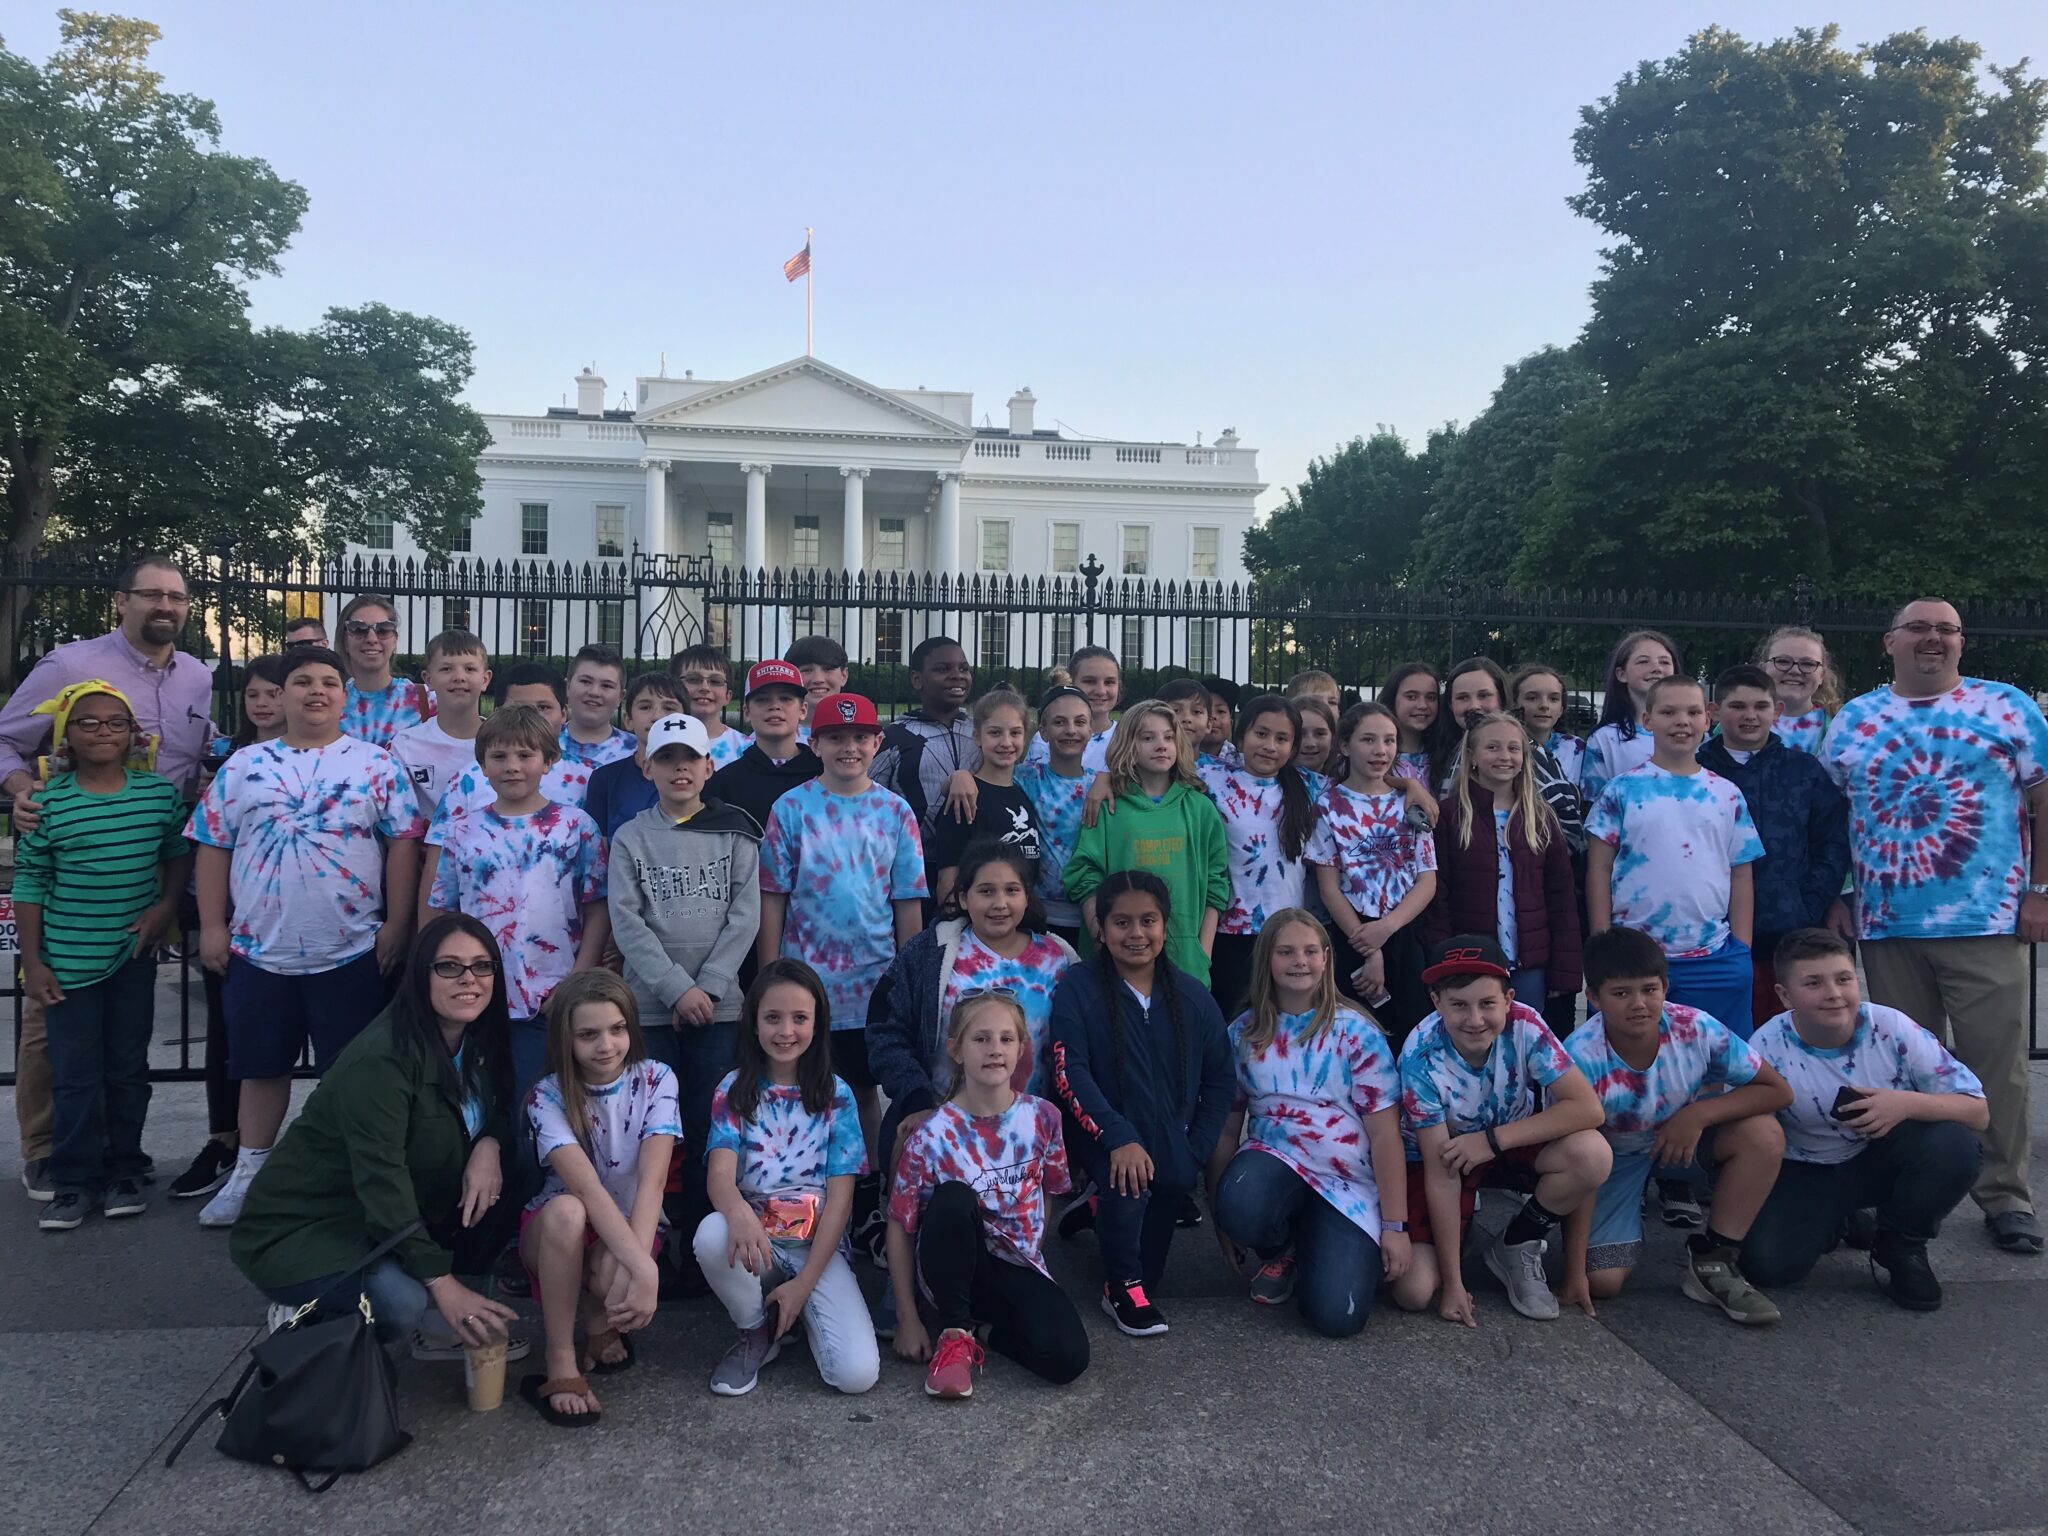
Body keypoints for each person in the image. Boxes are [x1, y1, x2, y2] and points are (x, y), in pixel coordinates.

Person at [1820, 597, 2048, 1254]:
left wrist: (2040, 892)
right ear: (1889, 642)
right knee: (1899, 1069)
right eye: (1919, 628)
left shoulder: (2007, 706)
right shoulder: (1854, 719)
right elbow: (1832, 817)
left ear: (1961, 643)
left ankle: (2005, 1196)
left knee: (1995, 1067)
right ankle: (1906, 1193)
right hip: (1888, 923)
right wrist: (1842, 892)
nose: (1934, 638)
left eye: (1947, 629)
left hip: (1987, 920)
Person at [189, 645, 426, 1228]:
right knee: (260, 1068)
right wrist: (213, 925)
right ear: (283, 695)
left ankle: (345, 1180)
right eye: (301, 681)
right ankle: (249, 1174)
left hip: (350, 948)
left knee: (351, 1074)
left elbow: (403, 844)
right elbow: (213, 844)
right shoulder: (245, 766)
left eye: (328, 682)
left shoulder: (375, 764)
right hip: (258, 950)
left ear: (346, 698)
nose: (315, 691)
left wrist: (397, 924)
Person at [0, 552, 213, 1203]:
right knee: (54, 1019)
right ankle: (48, 1152)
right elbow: (6, 740)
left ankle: (119, 1156)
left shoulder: (197, 676)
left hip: (158, 858)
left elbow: (197, 760)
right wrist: (21, 790)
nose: (165, 606)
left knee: (126, 1029)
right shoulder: (70, 665)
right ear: (121, 601)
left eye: (176, 597)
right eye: (151, 594)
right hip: (74, 853)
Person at [230, 915, 521, 1360]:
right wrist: (441, 1282)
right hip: (310, 1226)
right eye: (449, 966)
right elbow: (382, 1180)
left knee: (515, 1171)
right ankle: (309, 1318)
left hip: (385, 1216)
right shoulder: (382, 1059)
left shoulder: (476, 1035)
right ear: (420, 974)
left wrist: (489, 1144)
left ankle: (438, 1324)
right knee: (399, 1304)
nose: (469, 978)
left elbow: (497, 1110)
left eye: (482, 966)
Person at [16, 682, 191, 1232]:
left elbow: (177, 855)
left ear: (132, 734)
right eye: (88, 722)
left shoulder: (157, 796)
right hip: (67, 964)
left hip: (130, 957)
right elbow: (30, 882)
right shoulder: (48, 804)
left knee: (127, 1070)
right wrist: (33, 962)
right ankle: (74, 1179)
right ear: (66, 735)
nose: (103, 732)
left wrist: (165, 907)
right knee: (73, 1076)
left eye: (116, 722)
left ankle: (125, 1169)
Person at [1744, 929, 1990, 1308]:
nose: (1834, 993)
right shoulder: (1765, 1047)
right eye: (1813, 983)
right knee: (1768, 1267)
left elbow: (1978, 1110)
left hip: (1881, 1157)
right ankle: (1840, 1218)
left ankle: (1900, 1244)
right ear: (1785, 995)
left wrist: (1904, 1103)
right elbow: (1746, 1132)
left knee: (1955, 1147)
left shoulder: (1893, 1028)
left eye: (1844, 979)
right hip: (1806, 1167)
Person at [1558, 927, 1791, 1326]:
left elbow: (1778, 1090)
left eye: (1650, 989)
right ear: (1593, 997)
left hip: (1683, 1142)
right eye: (1621, 993)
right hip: (1613, 1160)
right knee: (1602, 1281)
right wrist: (1574, 1269)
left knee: (1763, 1134)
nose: (1639, 1004)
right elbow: (1577, 1158)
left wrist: (1697, 1115)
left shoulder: (1695, 1027)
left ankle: (1714, 1258)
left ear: (1665, 988)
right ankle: (1625, 1222)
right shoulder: (1579, 1055)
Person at [1049, 871, 1234, 1337]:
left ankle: (1099, 1212)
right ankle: (1120, 1288)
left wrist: (1195, 1149)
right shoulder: (1078, 987)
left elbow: (1220, 1080)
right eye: (1122, 922)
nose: (1136, 934)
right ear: (1101, 928)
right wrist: (1118, 1138)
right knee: (1128, 1187)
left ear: (1165, 926)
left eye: (1148, 921)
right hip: (1098, 1133)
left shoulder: (1192, 996)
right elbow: (1070, 1073)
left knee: (1153, 1268)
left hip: (1167, 1139)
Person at [1391, 936, 1610, 1325]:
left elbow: (1588, 1109)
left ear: (1509, 999)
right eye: (1459, 1005)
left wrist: (1492, 1140)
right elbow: (1440, 1174)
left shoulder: (1526, 1024)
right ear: (1436, 1002)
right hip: (1447, 1158)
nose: (1475, 1019)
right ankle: (1457, 1240)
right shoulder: (1419, 1056)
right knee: (1415, 1291)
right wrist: (1454, 1284)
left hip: (1504, 1141)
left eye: (1487, 1003)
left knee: (1592, 1154)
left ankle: (1516, 1242)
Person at [1208, 911, 1408, 1337]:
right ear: (1266, 959)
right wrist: (1220, 1213)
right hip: (1273, 1162)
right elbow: (1227, 1129)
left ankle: (1315, 1245)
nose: (1300, 961)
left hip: (1346, 1183)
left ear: (1326, 958)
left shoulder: (1356, 1032)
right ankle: (1282, 1247)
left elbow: (1385, 1135)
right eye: (1286, 952)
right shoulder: (1243, 1034)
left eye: (1310, 951)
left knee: (1338, 1317)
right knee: (1242, 1202)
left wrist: (1395, 1226)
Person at [887, 992, 1089, 1397]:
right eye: (981, 1039)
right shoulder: (931, 1135)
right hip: (953, 1268)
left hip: (1016, 1265)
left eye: (1006, 1039)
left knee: (1069, 1358)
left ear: (1021, 1049)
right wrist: (907, 1318)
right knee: (954, 1198)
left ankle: (985, 1331)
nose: (995, 1049)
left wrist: (1033, 1252)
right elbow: (899, 1225)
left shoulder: (1043, 1117)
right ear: (956, 1050)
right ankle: (953, 1333)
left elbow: (1047, 1192)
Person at [606, 712, 762, 1237]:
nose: (679, 769)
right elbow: (627, 923)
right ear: (647, 767)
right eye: (667, 758)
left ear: (708, 767)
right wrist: (677, 990)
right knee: (647, 1133)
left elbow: (745, 917)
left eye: (690, 758)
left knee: (708, 1129)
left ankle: (700, 1242)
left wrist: (708, 989)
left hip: (719, 1011)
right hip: (650, 1010)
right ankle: (647, 1241)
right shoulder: (631, 838)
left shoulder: (735, 832)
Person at [759, 692, 927, 1174]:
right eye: (835, 737)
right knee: (802, 1089)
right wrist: (771, 975)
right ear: (814, 744)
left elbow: (907, 903)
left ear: (878, 742)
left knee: (862, 1093)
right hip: (807, 986)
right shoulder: (791, 808)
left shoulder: (895, 812)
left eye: (859, 737)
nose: (848, 747)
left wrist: (908, 979)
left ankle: (869, 1187)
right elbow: (773, 896)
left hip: (872, 985)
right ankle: (802, 1185)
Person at [697, 960, 879, 1397]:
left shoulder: (837, 1095)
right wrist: (739, 1213)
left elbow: (841, 1200)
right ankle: (755, 1330)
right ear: (753, 1022)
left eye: (800, 1018)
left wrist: (804, 1284)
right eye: (773, 1017)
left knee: (855, 1376)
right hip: (756, 1240)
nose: (786, 1031)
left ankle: (791, 1306)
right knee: (712, 1233)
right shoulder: (733, 1090)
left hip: (815, 1246)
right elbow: (719, 1176)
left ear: (817, 1023)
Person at [517, 971, 676, 1425]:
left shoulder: (658, 1079)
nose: (606, 1045)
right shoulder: (547, 1095)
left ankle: (596, 1319)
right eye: (588, 1034)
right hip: (555, 1229)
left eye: (617, 1029)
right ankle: (560, 1358)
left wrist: (640, 1266)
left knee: (619, 1281)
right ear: (565, 1039)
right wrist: (646, 1270)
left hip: (628, 1223)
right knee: (569, 1210)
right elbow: (585, 1186)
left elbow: (653, 1181)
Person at [424, 704, 608, 1096]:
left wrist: (577, 979)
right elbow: (446, 912)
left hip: (551, 993)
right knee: (476, 1098)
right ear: (482, 765)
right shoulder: (462, 832)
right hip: (477, 991)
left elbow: (597, 908)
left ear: (548, 761)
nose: (512, 766)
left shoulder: (576, 827)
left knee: (537, 1100)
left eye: (525, 755)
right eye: (499, 756)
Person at [869, 841, 1079, 1175]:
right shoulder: (930, 954)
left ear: (1027, 896)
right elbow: (885, 1031)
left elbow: (1079, 1053)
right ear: (964, 897)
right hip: (942, 1131)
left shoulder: (1059, 961)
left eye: (1012, 890)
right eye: (986, 891)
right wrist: (915, 1099)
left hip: (1028, 1139)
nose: (1000, 903)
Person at [169, 655, 291, 1203]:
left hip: (314, 927)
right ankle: (227, 1142)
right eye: (253, 694)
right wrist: (212, 922)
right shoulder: (227, 758)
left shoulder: (341, 756)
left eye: (274, 692)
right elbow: (209, 841)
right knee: (230, 1037)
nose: (263, 703)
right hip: (240, 921)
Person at [1587, 676, 1764, 1035]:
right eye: (1668, 712)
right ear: (1648, 719)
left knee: (1718, 1057)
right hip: (1632, 959)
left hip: (1712, 956)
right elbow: (1598, 869)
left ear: (1707, 719)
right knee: (1630, 1057)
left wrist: (1741, 949)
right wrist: (1602, 943)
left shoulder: (1727, 794)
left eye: (1692, 712)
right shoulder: (1620, 790)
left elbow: (1741, 873)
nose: (1681, 721)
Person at [1698, 665, 1850, 1028]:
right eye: (1737, 706)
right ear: (1714, 712)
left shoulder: (1804, 771)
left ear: (1777, 710)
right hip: (1714, 933)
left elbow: (1831, 841)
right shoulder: (1696, 771)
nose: (1750, 716)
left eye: (1760, 706)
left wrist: (1808, 904)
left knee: (1789, 1033)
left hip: (1790, 931)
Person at [1064, 701, 1230, 987]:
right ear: (1128, 744)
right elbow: (1084, 876)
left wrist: (1203, 952)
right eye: (1148, 738)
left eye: (1169, 737)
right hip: (1118, 958)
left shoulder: (1201, 809)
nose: (1161, 745)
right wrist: (1101, 938)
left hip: (1186, 962)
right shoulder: (1107, 806)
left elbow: (1216, 885)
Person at [1425, 712, 1581, 1013]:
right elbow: (1437, 898)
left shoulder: (1541, 818)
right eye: (1492, 747)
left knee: (1524, 1037)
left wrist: (1564, 970)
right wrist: (1441, 956)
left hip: (1529, 964)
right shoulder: (1449, 816)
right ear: (1472, 755)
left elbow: (1561, 898)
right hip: (1469, 961)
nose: (1504, 756)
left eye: (1513, 748)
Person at [1309, 702, 1438, 1035]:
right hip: (1352, 934)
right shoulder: (1328, 805)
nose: (1380, 750)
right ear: (1344, 745)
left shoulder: (1410, 802)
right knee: (1357, 1034)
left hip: (1404, 931)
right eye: (1368, 740)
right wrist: (1370, 948)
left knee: (1412, 1031)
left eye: (1389, 740)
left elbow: (1427, 880)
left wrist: (1387, 928)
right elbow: (1329, 888)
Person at [422, 665, 595, 901]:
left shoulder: (590, 777)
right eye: (519, 708)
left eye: (543, 708)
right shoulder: (469, 779)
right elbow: (438, 867)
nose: (531, 718)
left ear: (564, 713)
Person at [1198, 694, 1318, 1016]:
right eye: (1261, 734)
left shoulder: (1309, 786)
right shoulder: (1210, 777)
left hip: (1287, 930)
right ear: (1241, 736)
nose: (1269, 746)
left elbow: (1360, 784)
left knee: (1281, 1021)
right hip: (1231, 929)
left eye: (1282, 738)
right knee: (1234, 1019)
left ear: (1293, 747)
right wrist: (1104, 781)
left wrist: (1410, 786)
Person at [927, 687, 1043, 907]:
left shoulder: (1024, 793)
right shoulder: (964, 798)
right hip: (977, 922)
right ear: (977, 737)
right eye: (995, 733)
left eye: (1015, 733)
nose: (1006, 742)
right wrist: (954, 922)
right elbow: (947, 881)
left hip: (1019, 919)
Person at [871, 635, 975, 838]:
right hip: (916, 853)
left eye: (964, 669)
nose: (957, 675)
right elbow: (870, 799)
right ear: (917, 679)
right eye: (943, 669)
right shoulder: (894, 736)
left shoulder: (981, 732)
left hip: (978, 852)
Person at [1016, 682, 1094, 944]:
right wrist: (959, 778)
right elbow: (985, 779)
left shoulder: (1104, 786)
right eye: (1059, 722)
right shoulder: (1026, 777)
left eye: (1080, 722)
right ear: (1043, 731)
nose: (1070, 730)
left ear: (1091, 729)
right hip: (1037, 913)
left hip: (1090, 913)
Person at [704, 659, 821, 832]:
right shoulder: (724, 784)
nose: (775, 706)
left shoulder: (822, 773)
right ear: (746, 712)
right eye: (762, 699)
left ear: (803, 710)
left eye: (785, 699)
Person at [391, 629, 491, 821]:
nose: (459, 677)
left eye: (470, 669)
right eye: (446, 669)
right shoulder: (406, 744)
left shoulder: (502, 744)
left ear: (485, 679)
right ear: (428, 680)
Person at [1579, 629, 1678, 806]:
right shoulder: (1604, 739)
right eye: (1643, 661)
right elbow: (1593, 804)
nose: (1657, 668)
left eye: (1664, 662)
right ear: (1621, 674)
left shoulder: (1694, 734)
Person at [582, 670, 685, 839]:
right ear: (628, 720)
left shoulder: (700, 778)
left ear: (687, 720)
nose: (657, 716)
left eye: (669, 708)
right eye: (645, 707)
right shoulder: (605, 779)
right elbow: (598, 845)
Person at [336, 593, 432, 750]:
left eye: (383, 629)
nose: (372, 639)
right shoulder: (331, 703)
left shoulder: (426, 701)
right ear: (345, 642)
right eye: (359, 629)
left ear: (395, 641)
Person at [1026, 646, 1121, 771]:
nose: (1101, 691)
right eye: (1090, 681)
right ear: (1071, 683)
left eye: (1109, 682)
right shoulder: (1045, 740)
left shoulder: (1127, 738)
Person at [1757, 625, 1838, 755]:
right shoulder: (1733, 722)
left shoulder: (1840, 727)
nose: (1794, 671)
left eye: (1808, 664)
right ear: (1764, 669)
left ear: (1822, 676)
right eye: (1783, 661)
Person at [671, 643, 750, 769]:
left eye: (715, 681)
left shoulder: (747, 750)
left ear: (728, 696)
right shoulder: (656, 744)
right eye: (693, 679)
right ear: (674, 688)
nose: (705, 688)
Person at [559, 643, 634, 771]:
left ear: (621, 696)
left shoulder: (637, 752)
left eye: (606, 685)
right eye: (585, 681)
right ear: (568, 687)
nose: (594, 692)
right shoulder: (541, 744)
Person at [1511, 661, 1584, 786]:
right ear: (1514, 704)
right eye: (1532, 698)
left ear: (1561, 709)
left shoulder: (1576, 749)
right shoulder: (1502, 747)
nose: (1544, 705)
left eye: (1553, 699)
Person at [1378, 661, 1447, 788]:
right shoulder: (1375, 755)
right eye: (1411, 697)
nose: (1423, 705)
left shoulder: (1445, 756)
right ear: (1392, 699)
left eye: (1431, 698)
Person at [785, 633, 849, 743]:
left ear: (844, 676)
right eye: (806, 670)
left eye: (828, 669)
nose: (818, 679)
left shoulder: (862, 736)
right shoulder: (772, 738)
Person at [1199, 676, 1240, 765]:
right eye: (1206, 710)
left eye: (1221, 711)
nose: (1213, 716)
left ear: (1231, 723)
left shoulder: (1243, 764)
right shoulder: (1174, 760)